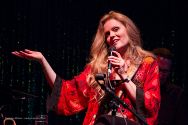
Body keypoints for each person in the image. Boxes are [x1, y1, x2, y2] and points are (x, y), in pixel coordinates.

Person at [12, 11, 160, 125]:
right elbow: (66, 92)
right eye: (107, 34)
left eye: (116, 29)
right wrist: (42, 61)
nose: (112, 35)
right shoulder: (97, 68)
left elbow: (151, 105)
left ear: (128, 29)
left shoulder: (147, 63)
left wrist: (123, 75)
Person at [152, 48, 187, 125]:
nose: (160, 75)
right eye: (158, 69)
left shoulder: (177, 94)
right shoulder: (137, 87)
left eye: (165, 71)